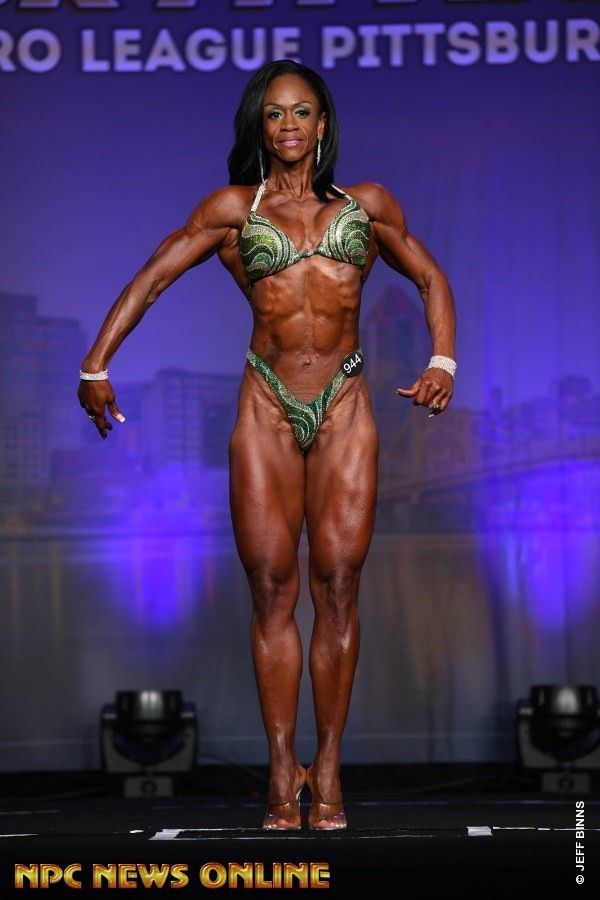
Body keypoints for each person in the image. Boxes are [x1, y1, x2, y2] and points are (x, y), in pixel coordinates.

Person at [77, 59, 456, 831]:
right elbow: (153, 277)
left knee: (338, 585)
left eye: (302, 111)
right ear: (260, 124)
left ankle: (331, 768)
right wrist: (96, 363)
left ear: (323, 124)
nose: (288, 125)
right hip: (267, 407)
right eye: (275, 113)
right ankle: (283, 768)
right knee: (273, 589)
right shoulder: (231, 209)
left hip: (344, 403)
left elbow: (429, 276)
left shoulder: (367, 205)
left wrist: (442, 360)